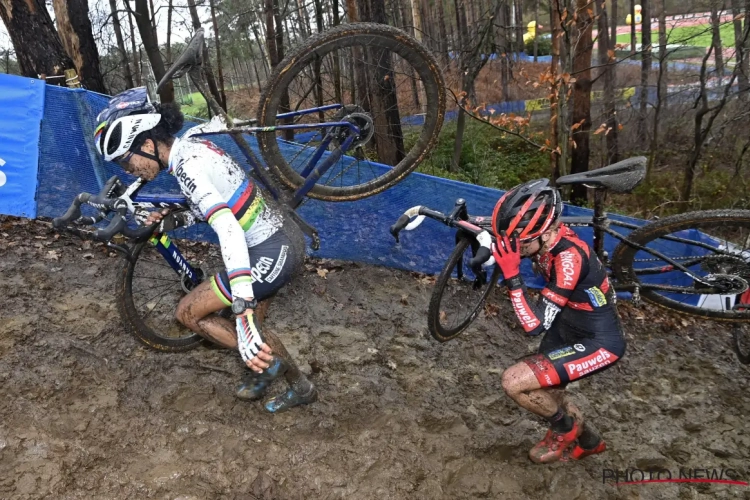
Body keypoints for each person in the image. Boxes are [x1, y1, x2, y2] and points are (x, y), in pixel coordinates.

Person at [93, 86, 316, 413]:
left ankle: (271, 368)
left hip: (269, 250)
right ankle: (295, 384)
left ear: (148, 144)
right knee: (254, 325)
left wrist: (241, 305)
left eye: (126, 161)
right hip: (281, 236)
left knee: (189, 313)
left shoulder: (188, 168)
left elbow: (227, 228)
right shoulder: (192, 145)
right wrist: (172, 220)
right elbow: (213, 204)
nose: (127, 170)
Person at [474, 179, 626, 463]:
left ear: (543, 234)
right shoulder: (542, 236)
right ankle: (589, 441)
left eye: (520, 241)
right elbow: (499, 231)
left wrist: (513, 276)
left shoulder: (569, 257)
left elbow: (533, 326)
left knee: (514, 381)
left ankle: (563, 429)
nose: (514, 246)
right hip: (567, 325)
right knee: (547, 390)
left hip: (598, 341)